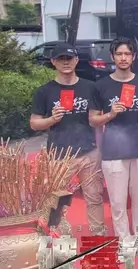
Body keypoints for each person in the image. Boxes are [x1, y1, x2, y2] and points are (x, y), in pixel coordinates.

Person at [30, 43, 106, 236]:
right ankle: (59, 240)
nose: (66, 62)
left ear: (76, 60)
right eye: (61, 59)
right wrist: (51, 119)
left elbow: (96, 121)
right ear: (53, 62)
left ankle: (98, 238)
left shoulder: (90, 87)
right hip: (59, 155)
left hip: (88, 152)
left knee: (94, 197)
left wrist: (99, 150)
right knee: (56, 201)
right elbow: (34, 123)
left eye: (69, 58)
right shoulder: (44, 91)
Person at [89, 37, 138, 247]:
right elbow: (93, 120)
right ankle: (124, 242)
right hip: (113, 150)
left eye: (127, 54)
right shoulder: (101, 86)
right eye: (119, 54)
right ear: (112, 56)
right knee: (117, 202)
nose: (123, 58)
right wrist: (110, 114)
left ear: (134, 57)